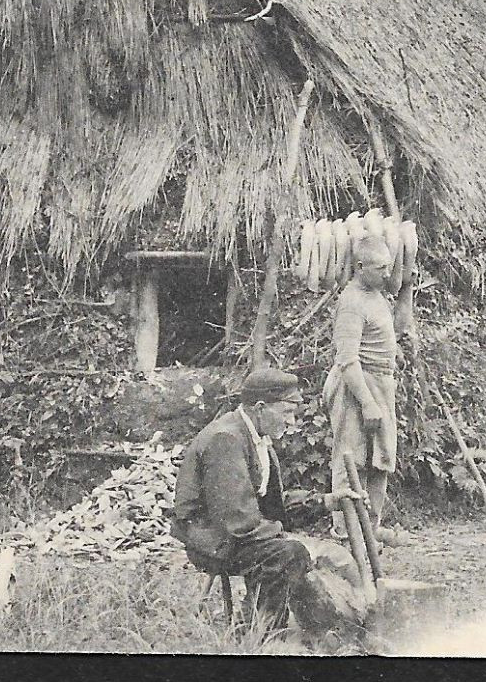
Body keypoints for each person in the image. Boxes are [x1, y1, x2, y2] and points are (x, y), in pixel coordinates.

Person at [171, 367, 363, 629]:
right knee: (289, 553)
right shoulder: (225, 439)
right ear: (260, 407)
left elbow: (268, 503)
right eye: (286, 412)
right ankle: (260, 632)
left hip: (235, 533)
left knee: (320, 554)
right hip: (212, 540)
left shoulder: (254, 437)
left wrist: (326, 501)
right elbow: (237, 519)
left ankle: (330, 628)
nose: (292, 421)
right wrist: (288, 538)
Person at [324, 234, 399, 541]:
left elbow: (392, 332)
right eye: (380, 268)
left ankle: (371, 527)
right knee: (349, 457)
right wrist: (367, 402)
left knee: (381, 457)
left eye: (389, 267)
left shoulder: (376, 295)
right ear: (360, 266)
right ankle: (345, 532)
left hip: (381, 382)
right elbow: (347, 360)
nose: (387, 273)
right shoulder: (352, 302)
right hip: (355, 386)